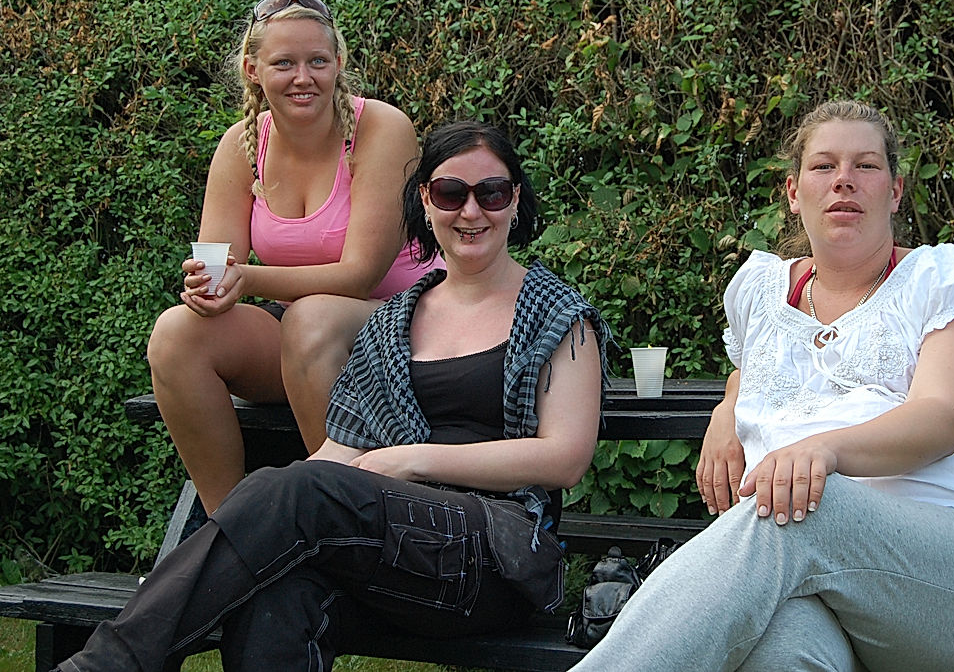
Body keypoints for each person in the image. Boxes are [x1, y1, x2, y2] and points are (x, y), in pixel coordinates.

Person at [55, 120, 609, 672]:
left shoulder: (557, 315)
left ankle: (107, 665)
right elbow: (335, 456)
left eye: (490, 192)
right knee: (275, 591)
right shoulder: (392, 322)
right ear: (425, 200)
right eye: (450, 192)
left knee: (297, 492)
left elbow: (563, 457)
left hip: (497, 557)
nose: (471, 211)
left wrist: (413, 460)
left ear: (514, 200)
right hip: (398, 554)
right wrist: (283, 501)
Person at [570, 100, 954, 672]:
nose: (844, 179)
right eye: (824, 166)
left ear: (895, 191)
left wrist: (822, 451)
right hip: (827, 594)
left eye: (866, 166)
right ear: (794, 192)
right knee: (778, 650)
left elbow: (941, 416)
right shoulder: (763, 293)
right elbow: (764, 372)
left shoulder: (945, 278)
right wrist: (728, 409)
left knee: (803, 504)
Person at [146, 0, 443, 515]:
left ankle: (344, 528)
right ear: (253, 69)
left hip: (411, 326)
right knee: (176, 334)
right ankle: (232, 533)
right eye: (283, 63)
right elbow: (223, 263)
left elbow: (358, 275)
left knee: (310, 319)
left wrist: (249, 281)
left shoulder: (382, 128)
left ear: (339, 64)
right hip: (306, 339)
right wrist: (207, 285)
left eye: (317, 61)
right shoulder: (241, 146)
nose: (302, 77)